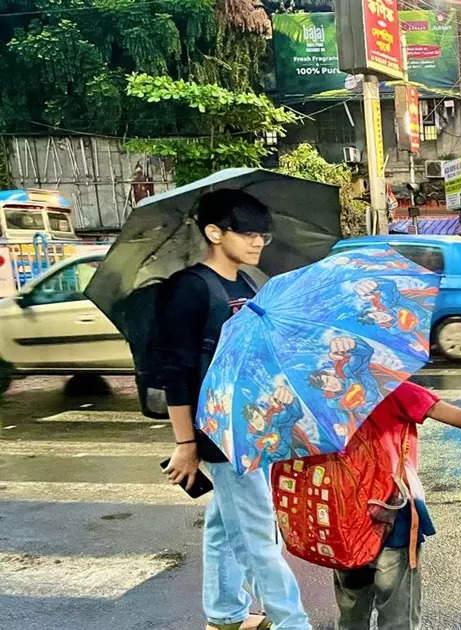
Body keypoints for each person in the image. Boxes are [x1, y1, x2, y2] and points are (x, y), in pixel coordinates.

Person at [160, 189, 311, 630]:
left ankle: (225, 613)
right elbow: (176, 372)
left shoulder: (246, 282)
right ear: (214, 232)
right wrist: (186, 444)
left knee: (225, 524)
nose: (257, 242)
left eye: (261, 234)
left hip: (251, 422)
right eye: (247, 234)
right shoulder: (189, 288)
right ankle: (291, 622)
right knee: (259, 534)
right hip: (216, 430)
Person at [332, 381, 461, 630]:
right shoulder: (395, 390)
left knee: (351, 616)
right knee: (398, 618)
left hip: (342, 521)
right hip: (391, 518)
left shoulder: (319, 396)